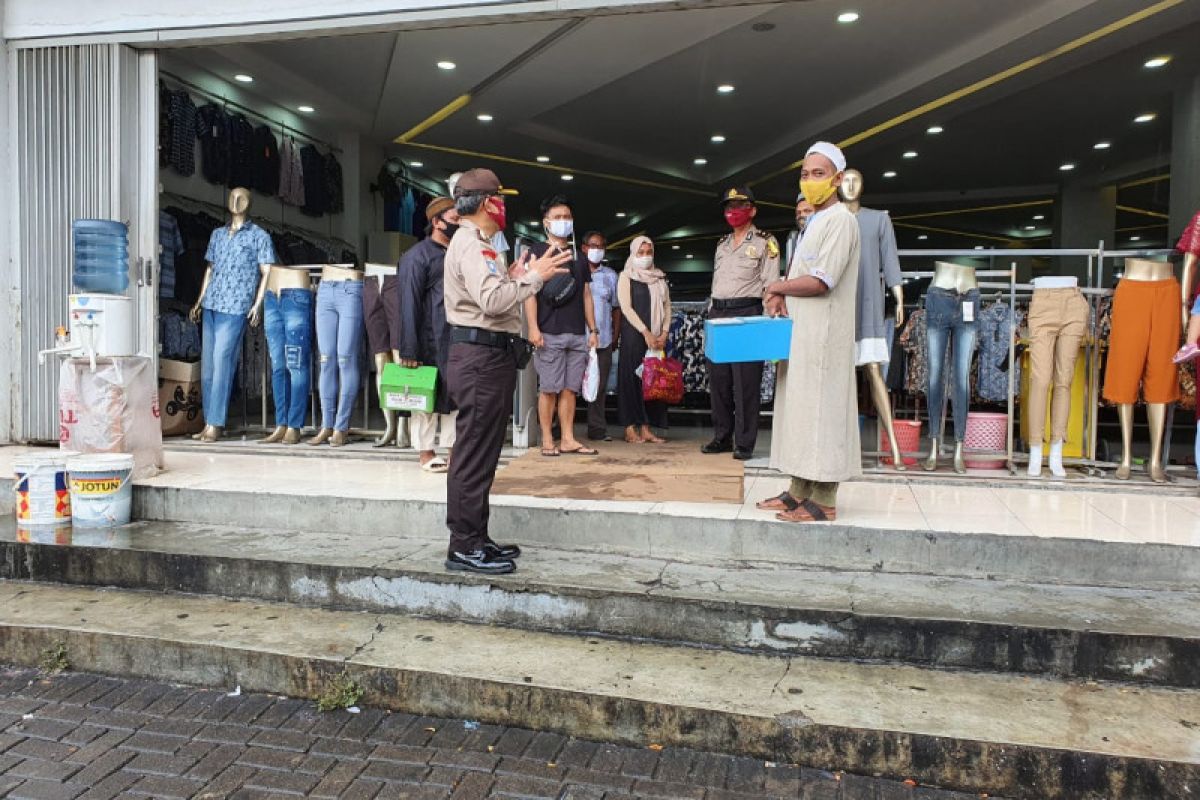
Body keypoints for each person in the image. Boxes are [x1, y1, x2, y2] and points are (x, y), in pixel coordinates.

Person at [443, 169, 572, 574]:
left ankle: (476, 537)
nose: (503, 205)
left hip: (487, 357)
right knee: (473, 455)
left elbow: (493, 292)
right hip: (479, 358)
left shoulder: (480, 245)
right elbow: (493, 301)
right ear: (486, 203)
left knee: (483, 454)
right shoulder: (471, 244)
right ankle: (463, 544)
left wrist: (514, 276)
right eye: (499, 198)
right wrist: (533, 278)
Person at [758, 141, 861, 523]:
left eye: (818, 174)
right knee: (801, 412)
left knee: (823, 415)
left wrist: (776, 288)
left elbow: (822, 281)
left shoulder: (841, 220)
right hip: (804, 331)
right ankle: (798, 491)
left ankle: (825, 500)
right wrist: (783, 295)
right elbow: (802, 274)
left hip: (825, 335)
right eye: (804, 174)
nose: (809, 181)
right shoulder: (813, 221)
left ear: (836, 179)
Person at [703, 186, 781, 461]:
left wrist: (769, 316)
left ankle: (744, 443)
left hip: (748, 313)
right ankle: (722, 436)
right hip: (718, 314)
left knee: (746, 382)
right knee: (720, 381)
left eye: (739, 205)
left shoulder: (765, 242)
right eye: (728, 206)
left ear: (753, 209)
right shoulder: (721, 244)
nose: (733, 211)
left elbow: (771, 284)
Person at [525, 196, 600, 457]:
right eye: (557, 218)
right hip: (548, 332)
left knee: (570, 389)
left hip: (577, 333)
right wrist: (533, 328)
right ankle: (548, 439)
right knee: (549, 389)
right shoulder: (536, 253)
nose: (563, 222)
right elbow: (529, 293)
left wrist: (593, 330)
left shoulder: (579, 258)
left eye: (567, 217)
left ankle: (568, 438)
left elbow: (587, 295)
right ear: (546, 222)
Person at [396, 196, 459, 472]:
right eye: (455, 220)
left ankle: (454, 450)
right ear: (437, 222)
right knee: (425, 396)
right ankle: (425, 452)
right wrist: (409, 348)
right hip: (427, 337)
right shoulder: (416, 257)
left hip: (455, 337)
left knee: (455, 394)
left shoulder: (458, 253)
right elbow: (408, 303)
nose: (458, 225)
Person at [617, 235, 672, 444]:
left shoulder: (659, 278)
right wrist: (645, 332)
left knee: (653, 381)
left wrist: (664, 333)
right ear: (633, 254)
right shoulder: (626, 276)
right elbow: (626, 307)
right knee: (632, 381)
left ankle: (647, 428)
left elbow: (667, 306)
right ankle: (630, 428)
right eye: (641, 253)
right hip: (634, 335)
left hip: (657, 337)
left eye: (649, 253)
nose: (645, 257)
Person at [583, 230, 621, 441]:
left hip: (604, 340)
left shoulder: (610, 276)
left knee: (599, 386)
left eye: (600, 247)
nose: (596, 250)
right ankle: (562, 429)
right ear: (584, 248)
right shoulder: (575, 272)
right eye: (593, 246)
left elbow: (616, 308)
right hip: (578, 338)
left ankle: (596, 429)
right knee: (569, 385)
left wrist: (615, 336)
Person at [784, 195, 816, 268]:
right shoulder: (795, 238)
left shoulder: (826, 235)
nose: (802, 215)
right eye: (798, 212)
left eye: (807, 211)